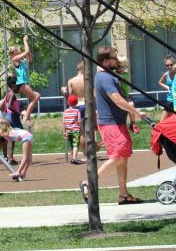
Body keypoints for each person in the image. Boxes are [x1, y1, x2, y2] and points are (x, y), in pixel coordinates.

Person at [80, 46, 147, 205]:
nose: (117, 61)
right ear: (105, 61)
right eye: (114, 58)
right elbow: (118, 100)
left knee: (122, 158)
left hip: (117, 122)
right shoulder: (105, 78)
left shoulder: (106, 75)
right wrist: (136, 113)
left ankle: (123, 195)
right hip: (110, 124)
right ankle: (87, 182)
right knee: (117, 156)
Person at [8, 35, 40, 123]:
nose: (19, 50)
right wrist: (25, 41)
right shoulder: (14, 59)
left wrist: (28, 54)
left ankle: (25, 115)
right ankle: (26, 117)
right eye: (17, 49)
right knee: (35, 97)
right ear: (14, 52)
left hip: (23, 83)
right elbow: (26, 51)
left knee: (36, 95)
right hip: (20, 83)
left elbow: (30, 60)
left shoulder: (21, 61)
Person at [63, 95, 83, 165]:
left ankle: (72, 157)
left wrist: (64, 132)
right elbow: (79, 121)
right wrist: (81, 130)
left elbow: (64, 122)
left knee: (71, 145)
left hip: (68, 131)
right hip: (75, 131)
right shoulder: (77, 111)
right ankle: (74, 159)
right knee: (75, 145)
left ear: (68, 103)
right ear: (77, 103)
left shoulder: (65, 111)